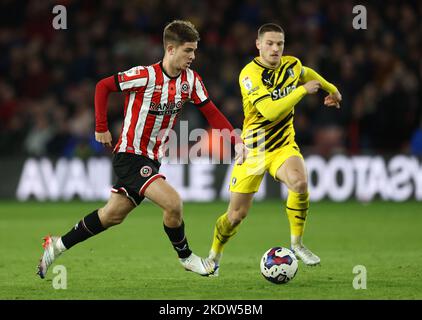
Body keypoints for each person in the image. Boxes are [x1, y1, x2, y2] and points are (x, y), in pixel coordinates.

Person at [37, 20, 247, 279]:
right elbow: (103, 86)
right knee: (173, 203)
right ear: (171, 49)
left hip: (152, 159)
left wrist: (236, 141)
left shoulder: (191, 81)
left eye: (194, 51)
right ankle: (187, 257)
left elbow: (211, 113)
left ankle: (56, 245)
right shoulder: (145, 75)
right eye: (188, 50)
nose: (193, 56)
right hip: (130, 155)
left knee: (112, 215)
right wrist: (101, 126)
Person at [208, 23, 342, 275]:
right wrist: (303, 91)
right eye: (269, 43)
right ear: (258, 44)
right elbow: (270, 111)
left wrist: (330, 88)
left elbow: (305, 71)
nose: (275, 49)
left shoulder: (291, 64)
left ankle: (297, 244)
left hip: (283, 145)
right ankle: (214, 255)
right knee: (236, 215)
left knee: (299, 184)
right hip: (253, 150)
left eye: (279, 44)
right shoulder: (249, 75)